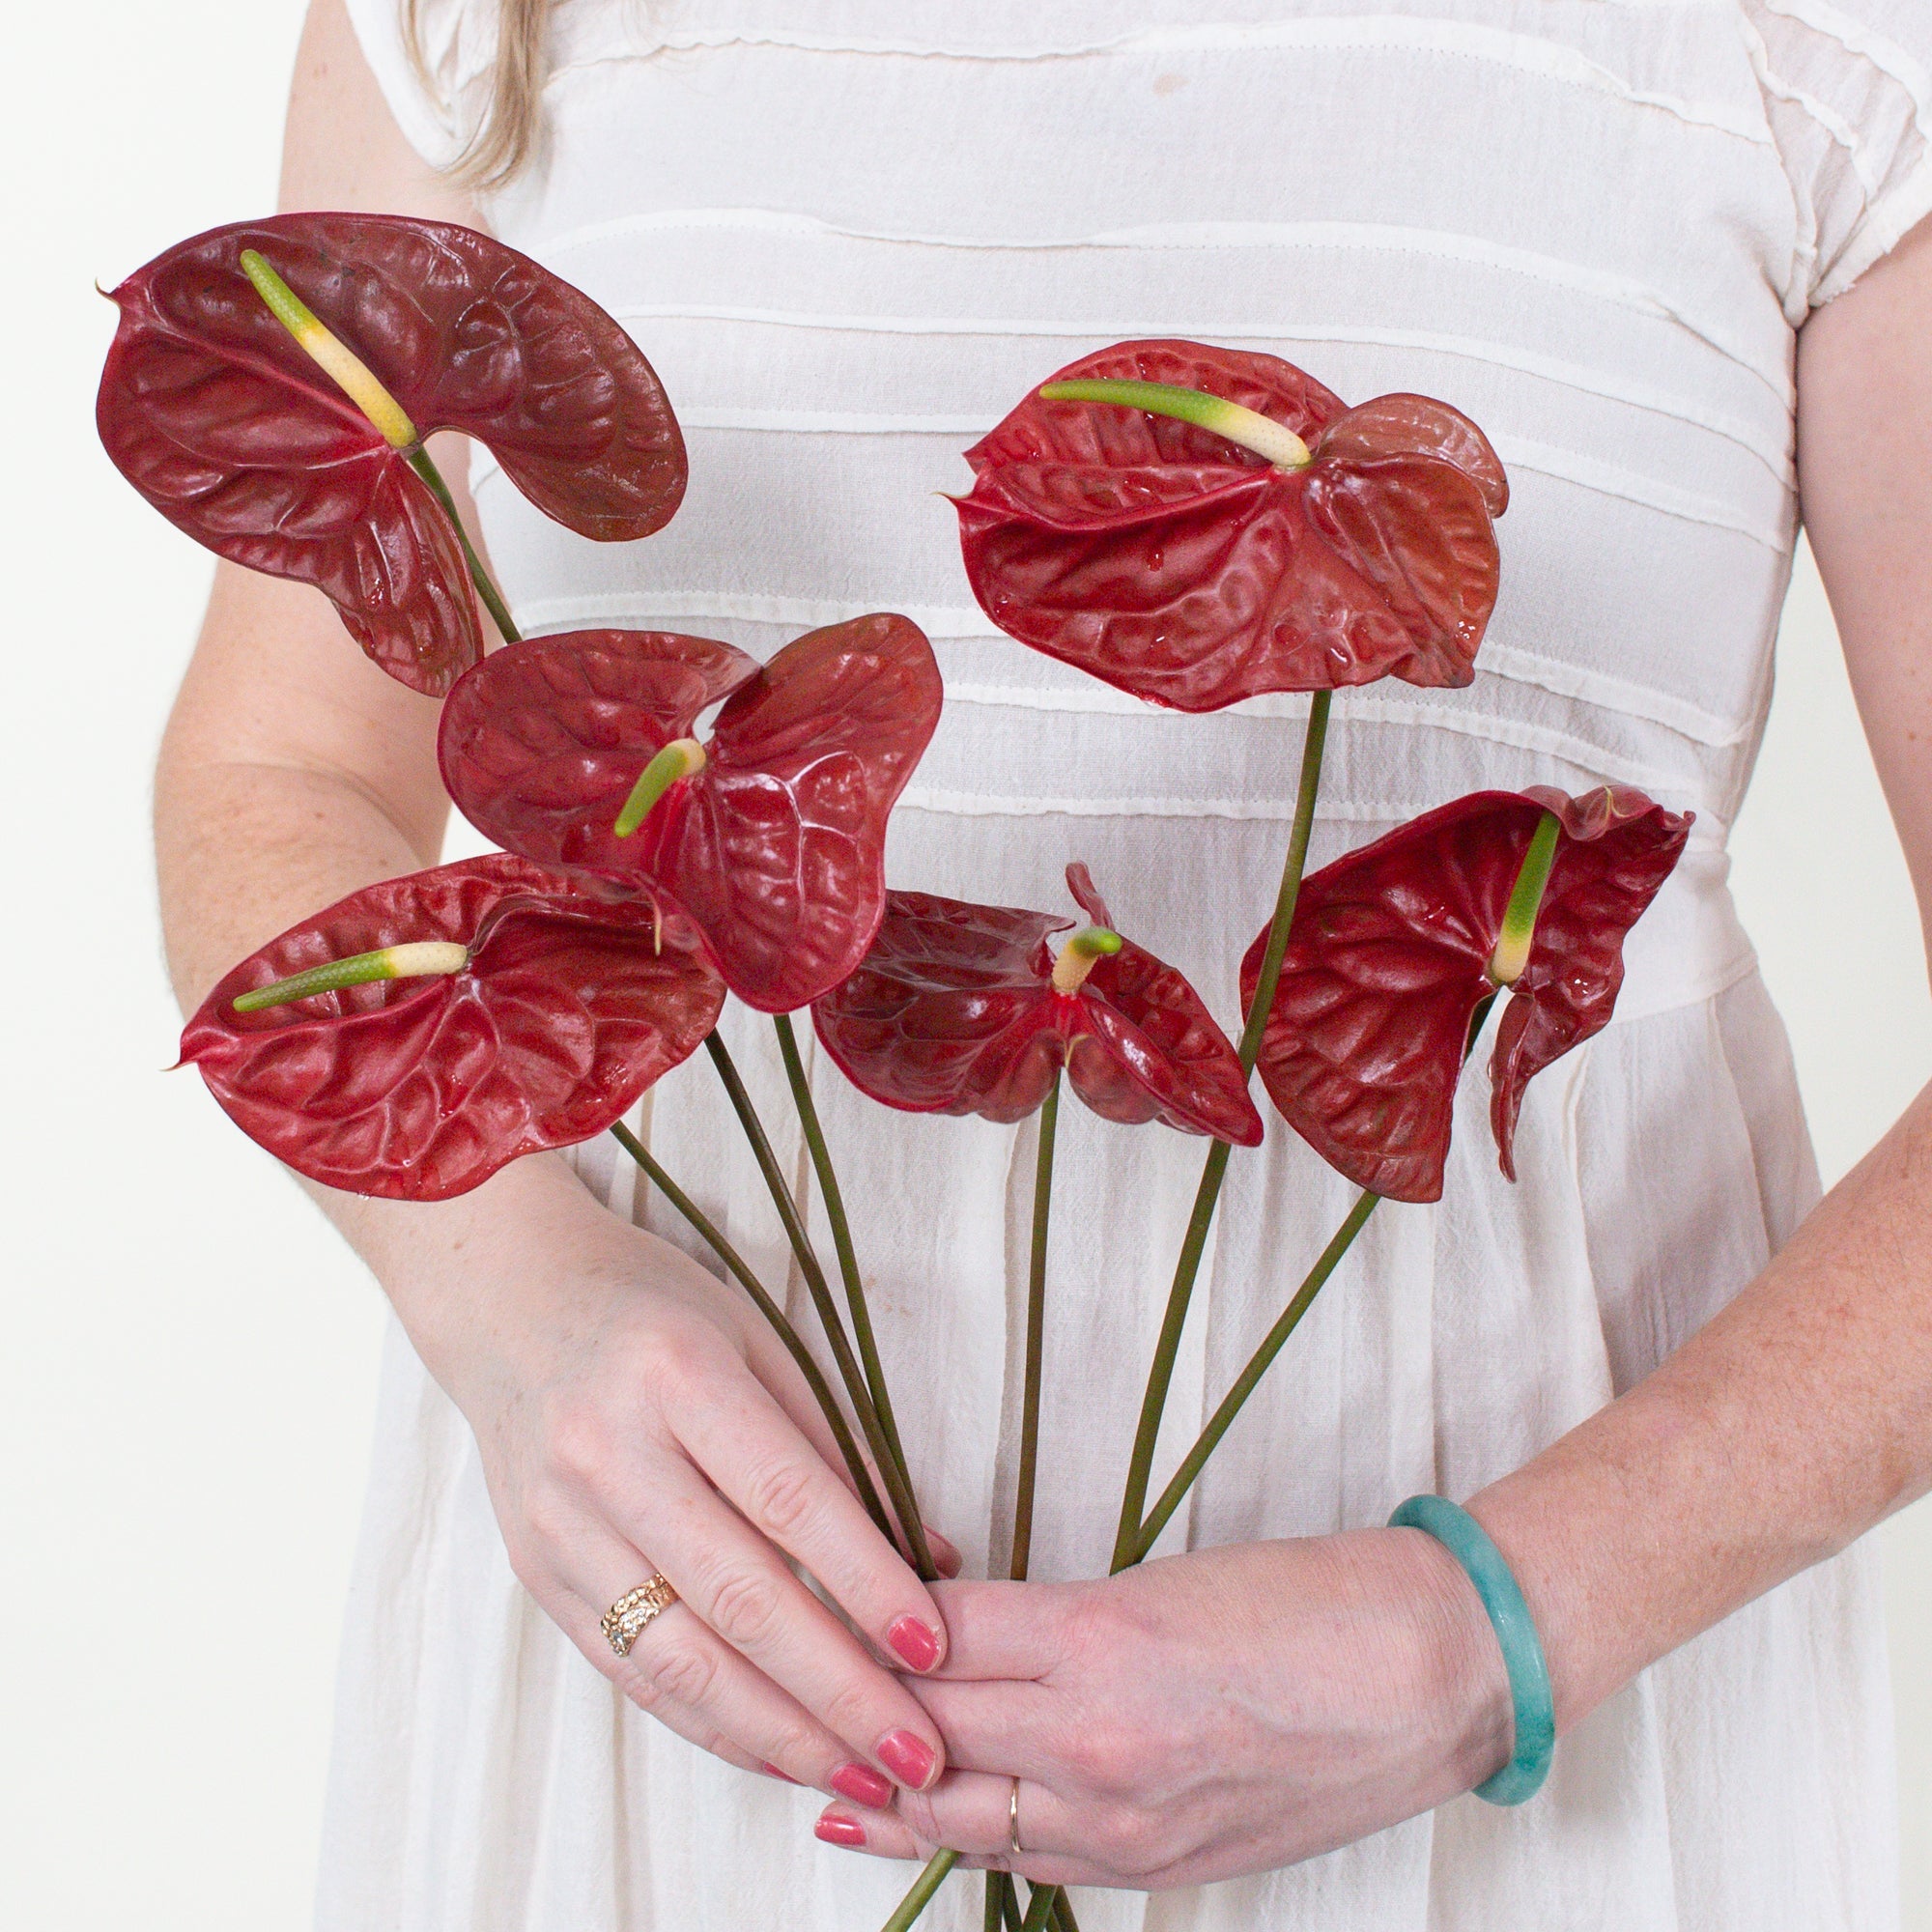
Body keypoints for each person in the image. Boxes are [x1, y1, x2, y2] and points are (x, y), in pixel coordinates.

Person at [156, 1, 1932, 1925]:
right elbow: (283, 770)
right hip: (706, 1670)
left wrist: (1479, 1629)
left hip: (1527, 1714)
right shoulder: (469, 25)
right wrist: (507, 1302)